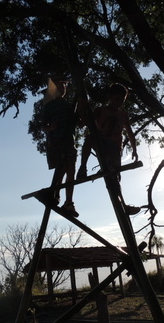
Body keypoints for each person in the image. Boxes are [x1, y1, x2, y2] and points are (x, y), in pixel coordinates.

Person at [77, 83, 139, 215]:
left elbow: (130, 133)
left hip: (114, 148)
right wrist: (81, 108)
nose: (119, 103)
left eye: (122, 101)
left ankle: (123, 204)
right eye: (117, 99)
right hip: (100, 143)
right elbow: (83, 123)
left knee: (114, 176)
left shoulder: (123, 115)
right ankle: (82, 168)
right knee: (89, 138)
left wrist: (134, 149)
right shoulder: (100, 110)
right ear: (110, 97)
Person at [40, 75, 79, 217]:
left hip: (69, 141)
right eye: (59, 85)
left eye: (64, 85)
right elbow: (43, 125)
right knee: (60, 169)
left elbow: (75, 122)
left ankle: (69, 201)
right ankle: (56, 194)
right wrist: (51, 127)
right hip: (56, 141)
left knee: (71, 170)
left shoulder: (69, 105)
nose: (63, 88)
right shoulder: (49, 105)